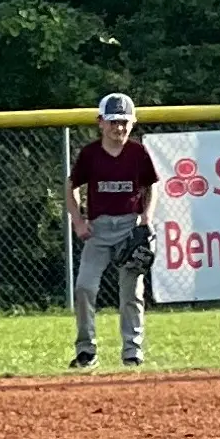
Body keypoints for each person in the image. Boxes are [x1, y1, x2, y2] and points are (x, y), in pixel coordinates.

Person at [65, 93, 159, 370]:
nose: (119, 127)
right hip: (99, 228)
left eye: (124, 122)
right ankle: (86, 350)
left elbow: (151, 186)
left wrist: (146, 217)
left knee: (131, 292)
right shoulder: (90, 154)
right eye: (113, 121)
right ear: (101, 123)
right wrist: (78, 220)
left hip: (130, 227)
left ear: (133, 123)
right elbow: (71, 186)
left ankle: (132, 351)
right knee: (84, 287)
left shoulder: (138, 152)